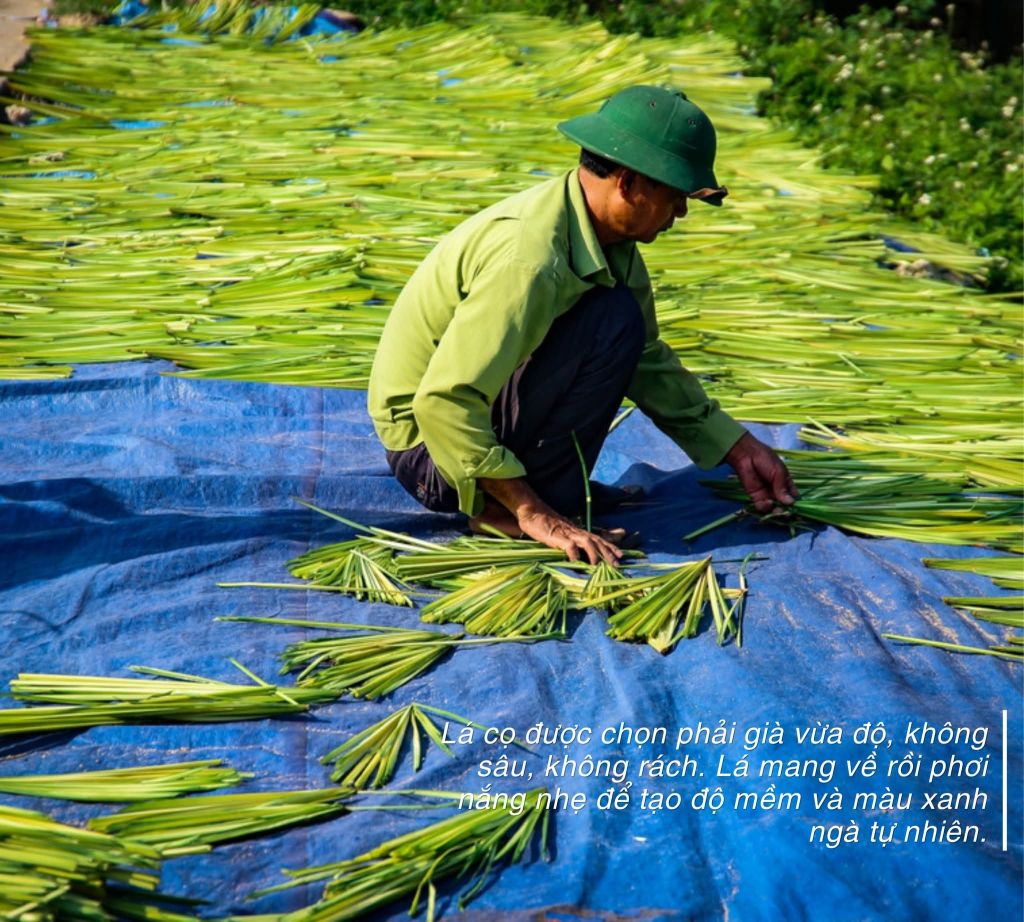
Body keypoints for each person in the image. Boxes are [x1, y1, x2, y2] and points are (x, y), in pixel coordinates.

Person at [368, 85, 796, 565]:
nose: (680, 212)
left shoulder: (606, 239)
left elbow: (646, 360)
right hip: (433, 455)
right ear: (629, 184)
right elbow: (444, 402)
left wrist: (736, 446)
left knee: (617, 323)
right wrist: (533, 512)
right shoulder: (529, 260)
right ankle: (501, 508)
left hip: (469, 425)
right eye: (676, 196)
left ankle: (548, 490)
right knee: (609, 320)